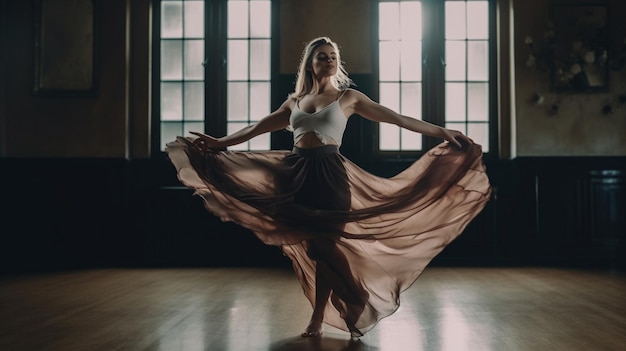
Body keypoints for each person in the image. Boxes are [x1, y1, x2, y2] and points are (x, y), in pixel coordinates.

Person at [166, 36, 491, 338]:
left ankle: (338, 304)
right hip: (297, 175)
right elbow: (254, 128)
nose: (330, 61)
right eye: (323, 57)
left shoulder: (347, 98)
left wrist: (441, 131)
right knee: (316, 248)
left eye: (334, 57)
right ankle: (336, 306)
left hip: (331, 176)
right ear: (311, 63)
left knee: (323, 246)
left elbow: (396, 118)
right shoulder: (294, 101)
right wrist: (220, 143)